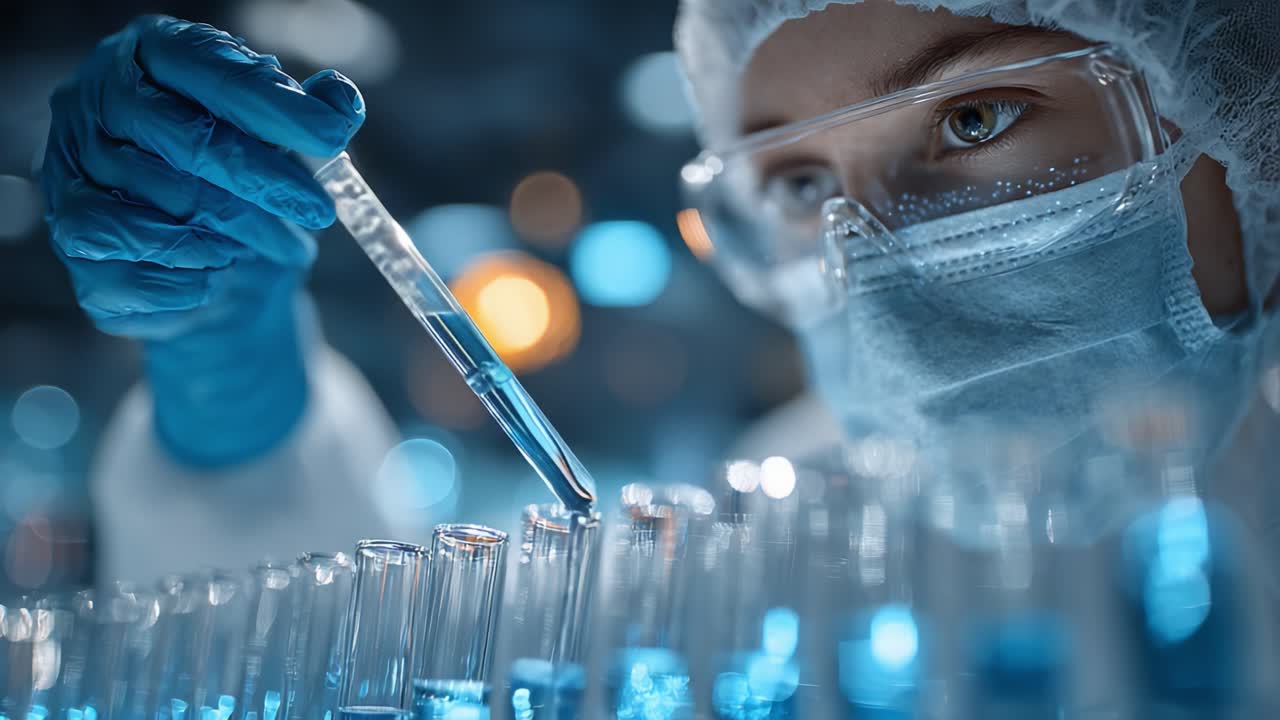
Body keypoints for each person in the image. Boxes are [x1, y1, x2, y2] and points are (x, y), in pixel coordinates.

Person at [41, 1, 1277, 583]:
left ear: (1242, 115)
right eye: (794, 183)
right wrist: (227, 381)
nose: (872, 252)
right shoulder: (776, 559)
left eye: (974, 116)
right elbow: (336, 654)